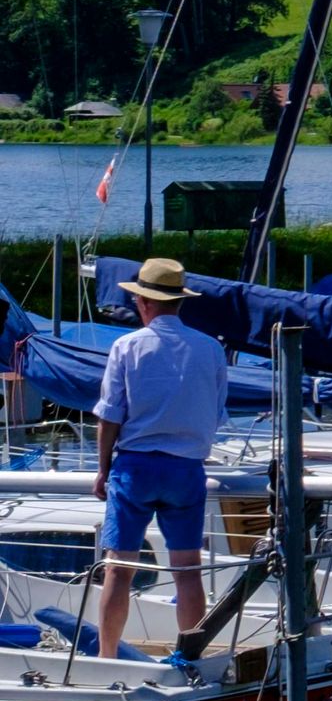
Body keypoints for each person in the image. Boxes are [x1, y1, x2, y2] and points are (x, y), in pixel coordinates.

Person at [93, 259, 226, 656]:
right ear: (179, 301)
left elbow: (109, 416)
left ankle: (107, 656)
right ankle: (190, 655)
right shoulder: (210, 348)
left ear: (143, 302)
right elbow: (217, 411)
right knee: (187, 569)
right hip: (186, 468)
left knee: (119, 568)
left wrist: (102, 470)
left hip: (135, 466)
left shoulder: (127, 346)